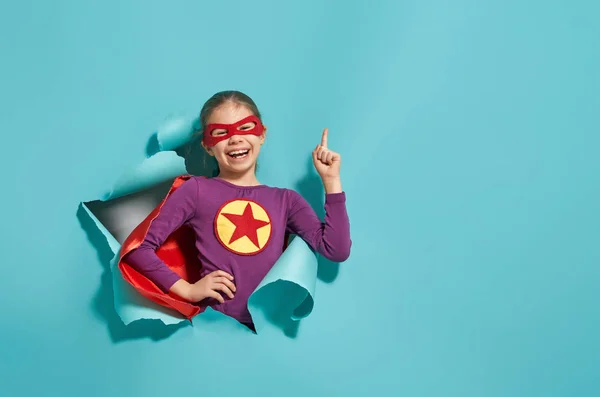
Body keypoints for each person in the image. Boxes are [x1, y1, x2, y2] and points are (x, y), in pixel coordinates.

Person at [121, 90, 351, 331]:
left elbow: (335, 250)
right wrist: (187, 289)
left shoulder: (286, 200)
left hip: (270, 330)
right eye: (221, 132)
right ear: (208, 146)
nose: (235, 139)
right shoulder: (197, 191)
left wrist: (331, 181)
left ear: (262, 134)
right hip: (217, 328)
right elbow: (139, 249)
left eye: (245, 128)